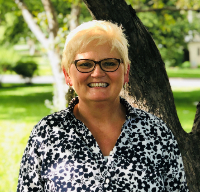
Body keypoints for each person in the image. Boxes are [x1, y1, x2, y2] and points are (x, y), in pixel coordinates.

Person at [17, 20, 188, 192]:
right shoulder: (47, 134)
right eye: (85, 64)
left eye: (109, 63)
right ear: (67, 74)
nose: (98, 73)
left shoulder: (156, 133)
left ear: (126, 72)